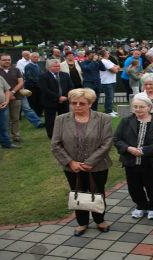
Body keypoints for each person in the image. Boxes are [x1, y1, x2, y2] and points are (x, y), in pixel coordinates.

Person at [51, 88, 113, 236]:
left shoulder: (103, 118)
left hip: (98, 166)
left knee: (98, 192)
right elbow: (55, 144)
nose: (77, 106)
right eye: (73, 103)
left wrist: (90, 162)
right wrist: (70, 162)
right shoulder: (61, 119)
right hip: (72, 167)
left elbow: (107, 142)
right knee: (77, 192)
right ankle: (82, 223)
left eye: (82, 103)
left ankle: (100, 220)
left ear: (90, 103)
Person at [114, 96, 153, 219]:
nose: (138, 109)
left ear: (149, 107)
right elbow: (117, 139)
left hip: (151, 162)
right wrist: (129, 149)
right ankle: (141, 206)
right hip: (130, 161)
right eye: (135, 107)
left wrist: (144, 150)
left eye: (141, 107)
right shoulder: (126, 121)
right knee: (134, 187)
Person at [0, 53, 24, 143]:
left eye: (9, 59)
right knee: (5, 120)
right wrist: (7, 96)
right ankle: (7, 137)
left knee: (15, 118)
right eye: (4, 60)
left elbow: (21, 82)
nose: (7, 61)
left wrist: (12, 92)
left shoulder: (16, 69)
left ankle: (16, 136)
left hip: (16, 97)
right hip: (1, 100)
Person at [38, 59, 73, 138]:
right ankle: (51, 135)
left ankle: (64, 133)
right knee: (50, 119)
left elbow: (70, 87)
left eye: (58, 66)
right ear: (49, 67)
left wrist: (65, 97)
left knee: (64, 118)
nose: (57, 68)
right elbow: (45, 89)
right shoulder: (43, 76)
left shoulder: (65, 75)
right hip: (50, 101)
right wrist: (58, 97)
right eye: (55, 66)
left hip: (64, 100)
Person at [0, 69, 17, 149]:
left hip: (2, 107)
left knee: (3, 127)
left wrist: (6, 101)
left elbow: (7, 90)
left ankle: (6, 144)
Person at [99, 50, 120, 117]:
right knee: (109, 97)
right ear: (104, 54)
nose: (109, 54)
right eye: (107, 53)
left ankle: (110, 109)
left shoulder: (108, 61)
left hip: (112, 81)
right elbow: (115, 70)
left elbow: (117, 67)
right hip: (106, 82)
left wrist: (115, 67)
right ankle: (108, 111)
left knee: (111, 96)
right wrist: (115, 68)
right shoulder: (104, 61)